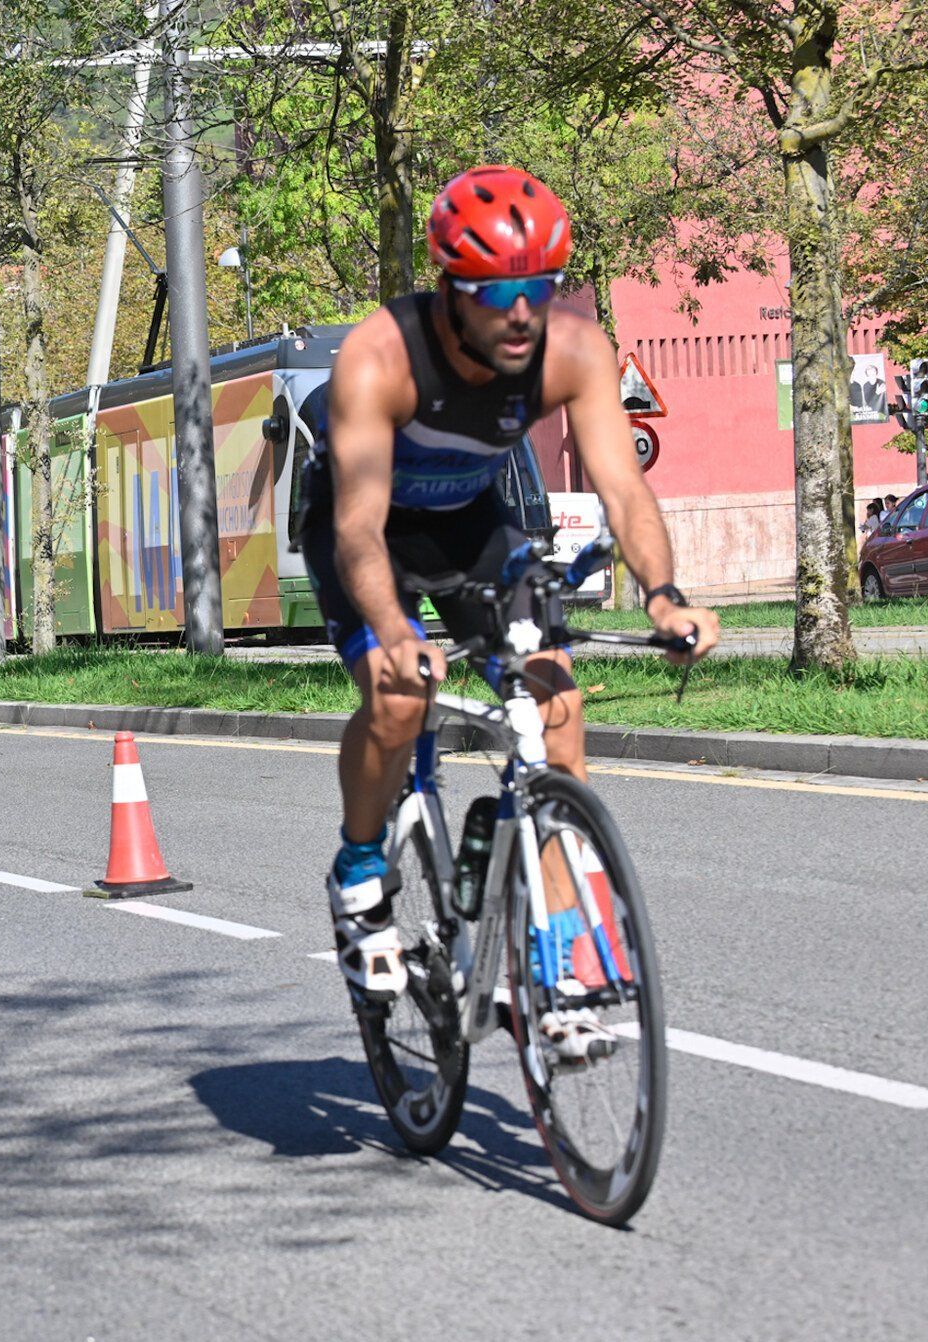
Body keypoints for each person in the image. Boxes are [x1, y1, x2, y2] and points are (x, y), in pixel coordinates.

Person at [301, 165, 719, 1061]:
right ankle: (362, 866)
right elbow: (361, 530)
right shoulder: (379, 358)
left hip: (469, 528)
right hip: (364, 533)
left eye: (540, 288)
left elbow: (623, 489)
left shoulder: (573, 351)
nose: (523, 314)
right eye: (498, 295)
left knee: (556, 703)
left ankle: (560, 971)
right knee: (399, 696)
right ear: (453, 293)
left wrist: (663, 592)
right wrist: (398, 631)